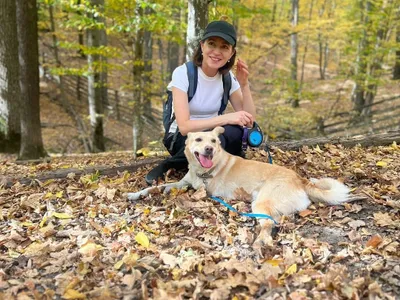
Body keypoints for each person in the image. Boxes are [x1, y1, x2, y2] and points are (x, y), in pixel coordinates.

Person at [145, 20, 256, 185]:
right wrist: (225, 118)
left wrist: (244, 84)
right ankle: (172, 164)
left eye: (224, 47)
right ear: (202, 46)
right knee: (220, 134)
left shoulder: (228, 79)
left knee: (235, 132)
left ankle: (217, 166)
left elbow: (249, 120)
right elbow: (184, 127)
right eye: (212, 44)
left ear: (232, 53)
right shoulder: (183, 74)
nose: (217, 52)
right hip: (181, 138)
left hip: (212, 137)